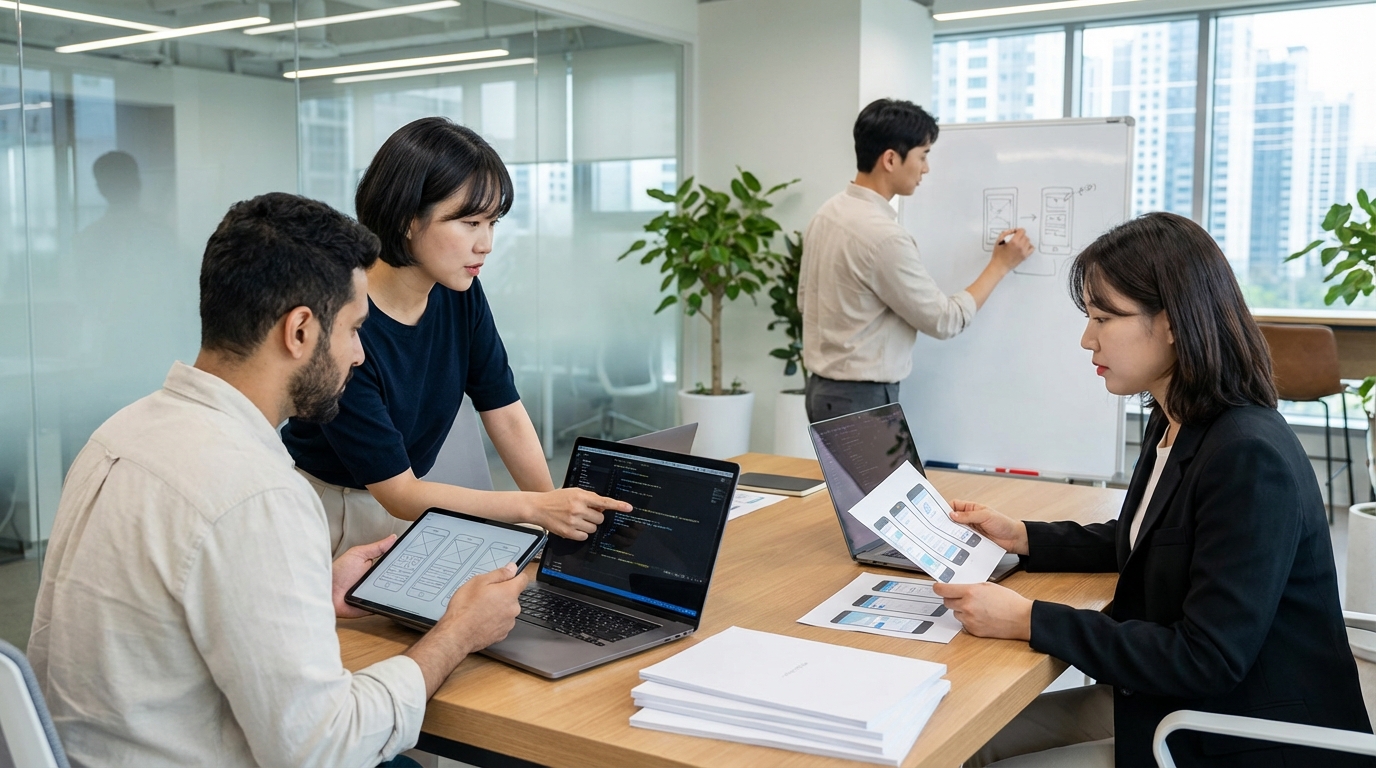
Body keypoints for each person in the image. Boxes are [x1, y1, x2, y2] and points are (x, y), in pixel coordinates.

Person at [28, 193, 529, 768]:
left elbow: (165, 611)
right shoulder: (257, 493)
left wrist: (316, 585)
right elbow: (325, 749)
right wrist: (458, 633)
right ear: (299, 331)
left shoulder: (118, 436)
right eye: (352, 331)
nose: (360, 356)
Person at [931, 212, 1373, 767]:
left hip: (1242, 732)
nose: (1086, 338)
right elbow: (1153, 537)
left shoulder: (1247, 455)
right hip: (1178, 702)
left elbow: (1206, 657)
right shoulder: (1175, 419)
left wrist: (1028, 619)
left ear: (1172, 322)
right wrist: (1021, 535)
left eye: (1102, 318)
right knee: (965, 743)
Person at [281, 117, 631, 557]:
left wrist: (560, 519)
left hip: (412, 509)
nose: (485, 243)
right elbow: (400, 493)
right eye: (469, 222)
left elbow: (503, 410)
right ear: (408, 219)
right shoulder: (345, 324)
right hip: (332, 513)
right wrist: (536, 508)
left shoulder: (459, 292)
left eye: (492, 222)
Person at [798, 98, 1034, 423]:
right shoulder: (884, 236)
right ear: (891, 159)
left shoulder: (827, 214)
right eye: (923, 156)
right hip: (862, 400)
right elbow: (944, 320)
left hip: (822, 392)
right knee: (881, 478)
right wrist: (1000, 265)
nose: (926, 168)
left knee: (861, 478)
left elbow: (804, 300)